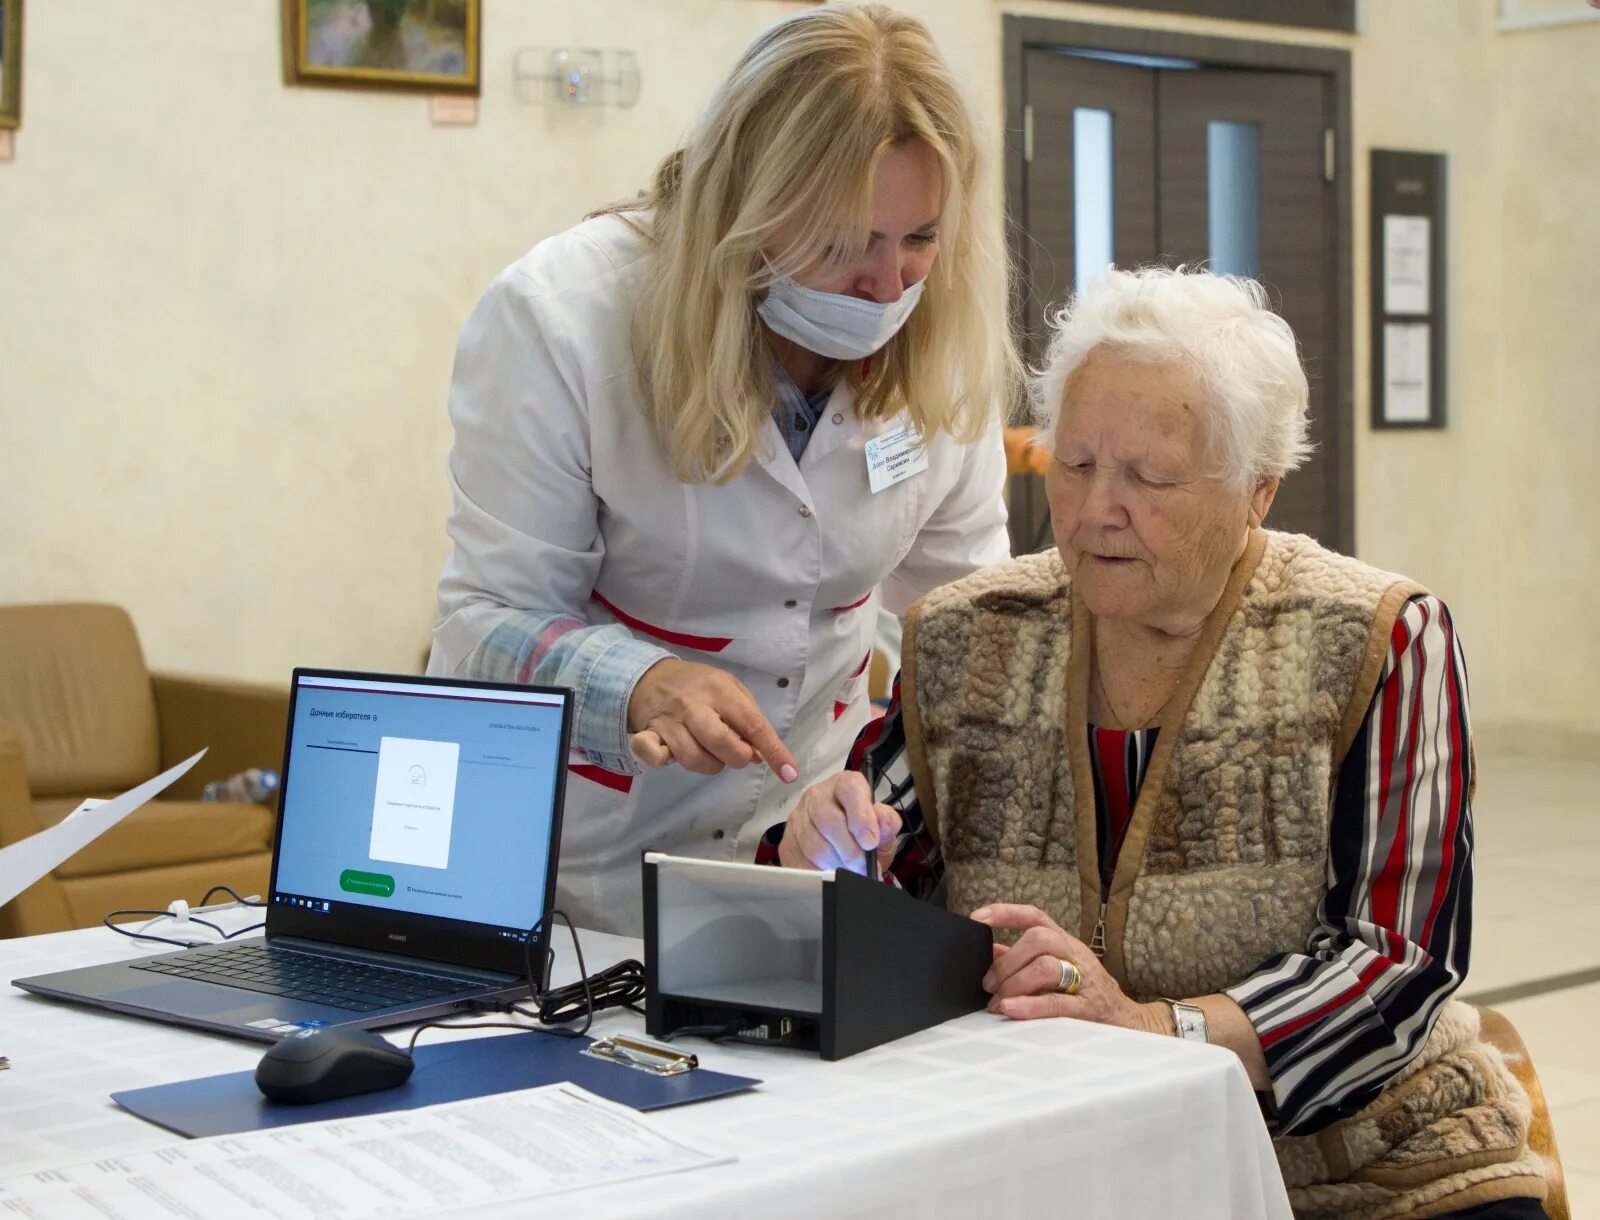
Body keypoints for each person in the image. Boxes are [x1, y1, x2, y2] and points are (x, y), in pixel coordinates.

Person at [769, 267, 1553, 1218]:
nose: (1098, 507)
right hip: (1051, 1157)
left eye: (1148, 476)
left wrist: (1156, 1030)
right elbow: (881, 873)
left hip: (1355, 1167)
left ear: (1255, 491)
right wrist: (829, 849)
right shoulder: (969, 636)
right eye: (1076, 463)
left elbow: (1394, 964)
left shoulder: (1377, 640)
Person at [428, 4, 1019, 935]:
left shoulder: (943, 344)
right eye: (842, 243)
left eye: (918, 239)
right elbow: (480, 631)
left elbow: (972, 635)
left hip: (810, 847)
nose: (887, 285)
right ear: (742, 208)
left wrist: (892, 803)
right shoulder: (563, 320)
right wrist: (637, 682)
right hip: (582, 869)